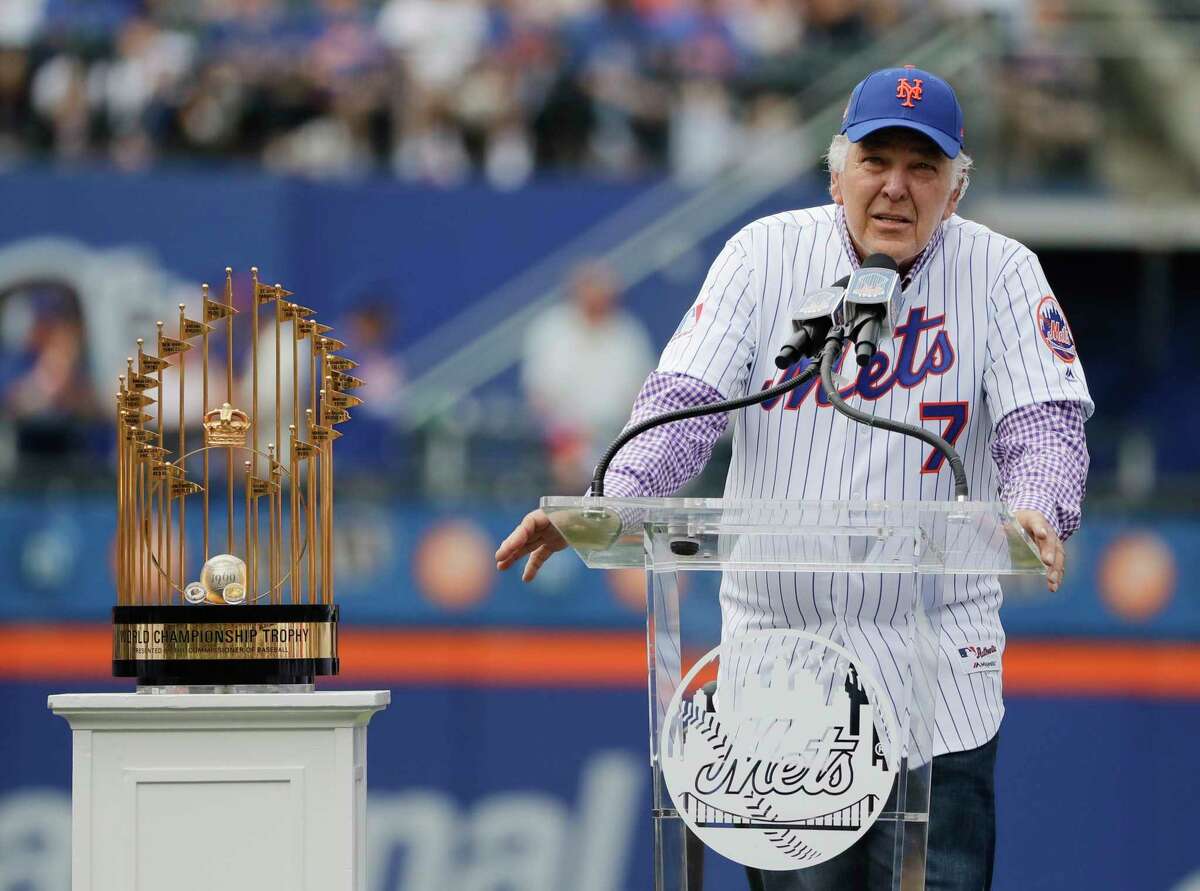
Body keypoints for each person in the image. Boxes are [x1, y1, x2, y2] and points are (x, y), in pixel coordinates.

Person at [496, 66, 1092, 890]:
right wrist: (608, 504)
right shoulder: (764, 254)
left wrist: (1041, 504)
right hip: (780, 676)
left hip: (938, 680)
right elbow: (688, 401)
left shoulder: (1003, 272)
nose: (895, 186)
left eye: (922, 167)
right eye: (876, 160)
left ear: (954, 190)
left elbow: (1045, 423)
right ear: (836, 170)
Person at [520, 259, 655, 490]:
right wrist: (568, 439)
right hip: (562, 441)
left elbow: (643, 392)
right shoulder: (551, 330)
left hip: (618, 438)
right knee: (571, 467)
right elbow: (540, 396)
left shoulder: (629, 334)